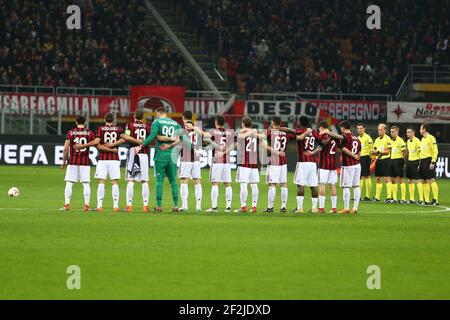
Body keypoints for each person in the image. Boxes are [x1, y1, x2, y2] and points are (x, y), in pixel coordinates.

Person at [136, 107, 189, 212]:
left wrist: (140, 146)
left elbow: (152, 136)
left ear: (158, 114)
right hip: (172, 156)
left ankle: (159, 206)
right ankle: (176, 206)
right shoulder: (176, 124)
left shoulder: (157, 122)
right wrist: (193, 149)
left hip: (160, 155)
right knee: (173, 181)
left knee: (159, 181)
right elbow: (183, 139)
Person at [75, 112, 124, 212]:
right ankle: (115, 206)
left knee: (101, 182)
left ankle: (100, 205)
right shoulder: (119, 129)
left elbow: (97, 143)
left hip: (103, 159)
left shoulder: (100, 129)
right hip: (114, 159)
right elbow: (124, 139)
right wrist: (113, 146)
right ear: (113, 120)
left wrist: (82, 146)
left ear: (104, 120)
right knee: (114, 182)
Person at [186, 115, 235, 212]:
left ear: (216, 122)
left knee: (215, 183)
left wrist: (193, 128)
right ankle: (228, 207)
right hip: (227, 162)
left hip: (217, 161)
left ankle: (214, 207)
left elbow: (203, 134)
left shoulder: (213, 131)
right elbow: (234, 144)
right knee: (227, 184)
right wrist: (225, 152)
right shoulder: (230, 132)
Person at [104, 110, 150, 212]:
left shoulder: (130, 125)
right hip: (144, 154)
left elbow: (126, 137)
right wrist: (142, 143)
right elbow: (150, 138)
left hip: (134, 152)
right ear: (142, 117)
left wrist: (136, 141)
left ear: (134, 116)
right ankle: (145, 205)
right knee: (144, 181)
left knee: (130, 180)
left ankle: (129, 205)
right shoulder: (147, 126)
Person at [281, 116, 320, 213]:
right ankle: (314, 208)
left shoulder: (300, 131)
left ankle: (300, 208)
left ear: (300, 123)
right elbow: (322, 143)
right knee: (313, 185)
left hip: (303, 162)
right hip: (312, 162)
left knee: (300, 185)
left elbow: (290, 131)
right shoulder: (313, 132)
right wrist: (313, 152)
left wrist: (278, 128)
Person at [60, 115, 96, 211]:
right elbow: (96, 142)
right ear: (85, 122)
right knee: (86, 183)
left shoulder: (71, 132)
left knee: (69, 182)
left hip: (72, 161)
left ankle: (67, 205)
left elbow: (65, 148)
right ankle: (86, 205)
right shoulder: (90, 133)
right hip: (85, 161)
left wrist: (64, 161)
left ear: (76, 122)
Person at [325, 121, 362, 214]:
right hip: (357, 165)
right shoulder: (357, 138)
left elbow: (342, 144)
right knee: (356, 186)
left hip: (348, 165)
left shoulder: (346, 136)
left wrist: (327, 132)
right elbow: (359, 152)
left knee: (346, 187)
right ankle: (355, 208)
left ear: (343, 128)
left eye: (341, 128)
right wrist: (356, 157)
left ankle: (346, 208)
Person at [305, 121, 340, 213]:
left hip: (324, 164)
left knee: (322, 185)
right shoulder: (334, 136)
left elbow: (321, 146)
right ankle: (334, 208)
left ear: (321, 128)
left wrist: (312, 152)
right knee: (332, 186)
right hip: (333, 165)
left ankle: (321, 208)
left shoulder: (324, 136)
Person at [262, 116, 294, 213]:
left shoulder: (270, 132)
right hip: (283, 161)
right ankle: (283, 206)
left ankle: (270, 207)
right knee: (283, 184)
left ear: (272, 122)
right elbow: (294, 133)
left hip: (274, 161)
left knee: (272, 184)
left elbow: (263, 140)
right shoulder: (285, 133)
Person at [178, 110, 203, 212]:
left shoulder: (182, 128)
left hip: (186, 158)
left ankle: (184, 206)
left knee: (184, 181)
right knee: (197, 181)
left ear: (183, 117)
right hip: (196, 159)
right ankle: (198, 206)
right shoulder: (197, 127)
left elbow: (180, 142)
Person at [235, 117, 260, 213]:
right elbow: (262, 137)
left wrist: (248, 131)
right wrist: (253, 131)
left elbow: (240, 137)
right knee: (254, 185)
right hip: (253, 162)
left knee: (244, 184)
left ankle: (243, 206)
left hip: (244, 162)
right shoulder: (254, 133)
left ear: (243, 124)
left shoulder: (242, 133)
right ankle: (254, 206)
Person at [371, 123, 393, 203]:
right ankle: (377, 197)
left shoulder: (388, 139)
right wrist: (373, 152)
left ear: (385, 130)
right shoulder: (376, 140)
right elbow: (375, 151)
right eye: (378, 130)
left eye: (381, 130)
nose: (379, 131)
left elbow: (387, 152)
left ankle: (389, 197)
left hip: (385, 160)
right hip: (378, 160)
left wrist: (377, 151)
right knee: (378, 178)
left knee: (387, 178)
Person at [419, 124, 439, 205]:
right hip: (423, 161)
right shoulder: (422, 139)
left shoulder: (431, 138)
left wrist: (433, 161)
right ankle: (426, 200)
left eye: (421, 129)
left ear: (424, 129)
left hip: (429, 160)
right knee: (423, 180)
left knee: (431, 179)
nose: (420, 130)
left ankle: (435, 200)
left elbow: (435, 150)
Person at [389, 126, 407, 203]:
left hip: (399, 160)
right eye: (391, 131)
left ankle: (403, 198)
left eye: (393, 132)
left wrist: (403, 162)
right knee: (393, 179)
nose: (391, 133)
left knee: (401, 179)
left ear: (397, 132)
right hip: (392, 160)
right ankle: (394, 198)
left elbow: (405, 153)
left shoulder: (401, 141)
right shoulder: (390, 141)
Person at [357, 123, 373, 201]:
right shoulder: (357, 138)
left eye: (360, 128)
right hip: (359, 158)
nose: (359, 130)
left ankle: (367, 196)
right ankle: (358, 196)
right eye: (358, 128)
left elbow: (371, 148)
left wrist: (371, 157)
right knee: (359, 176)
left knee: (366, 176)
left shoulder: (367, 137)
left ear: (364, 129)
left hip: (366, 157)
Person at [405, 127, 421, 204]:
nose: (407, 134)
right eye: (407, 132)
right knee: (410, 180)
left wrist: (420, 162)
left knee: (417, 180)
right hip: (410, 162)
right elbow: (408, 152)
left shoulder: (417, 141)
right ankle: (412, 199)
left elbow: (421, 151)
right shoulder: (408, 141)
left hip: (416, 161)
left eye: (409, 132)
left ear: (413, 133)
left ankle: (421, 199)